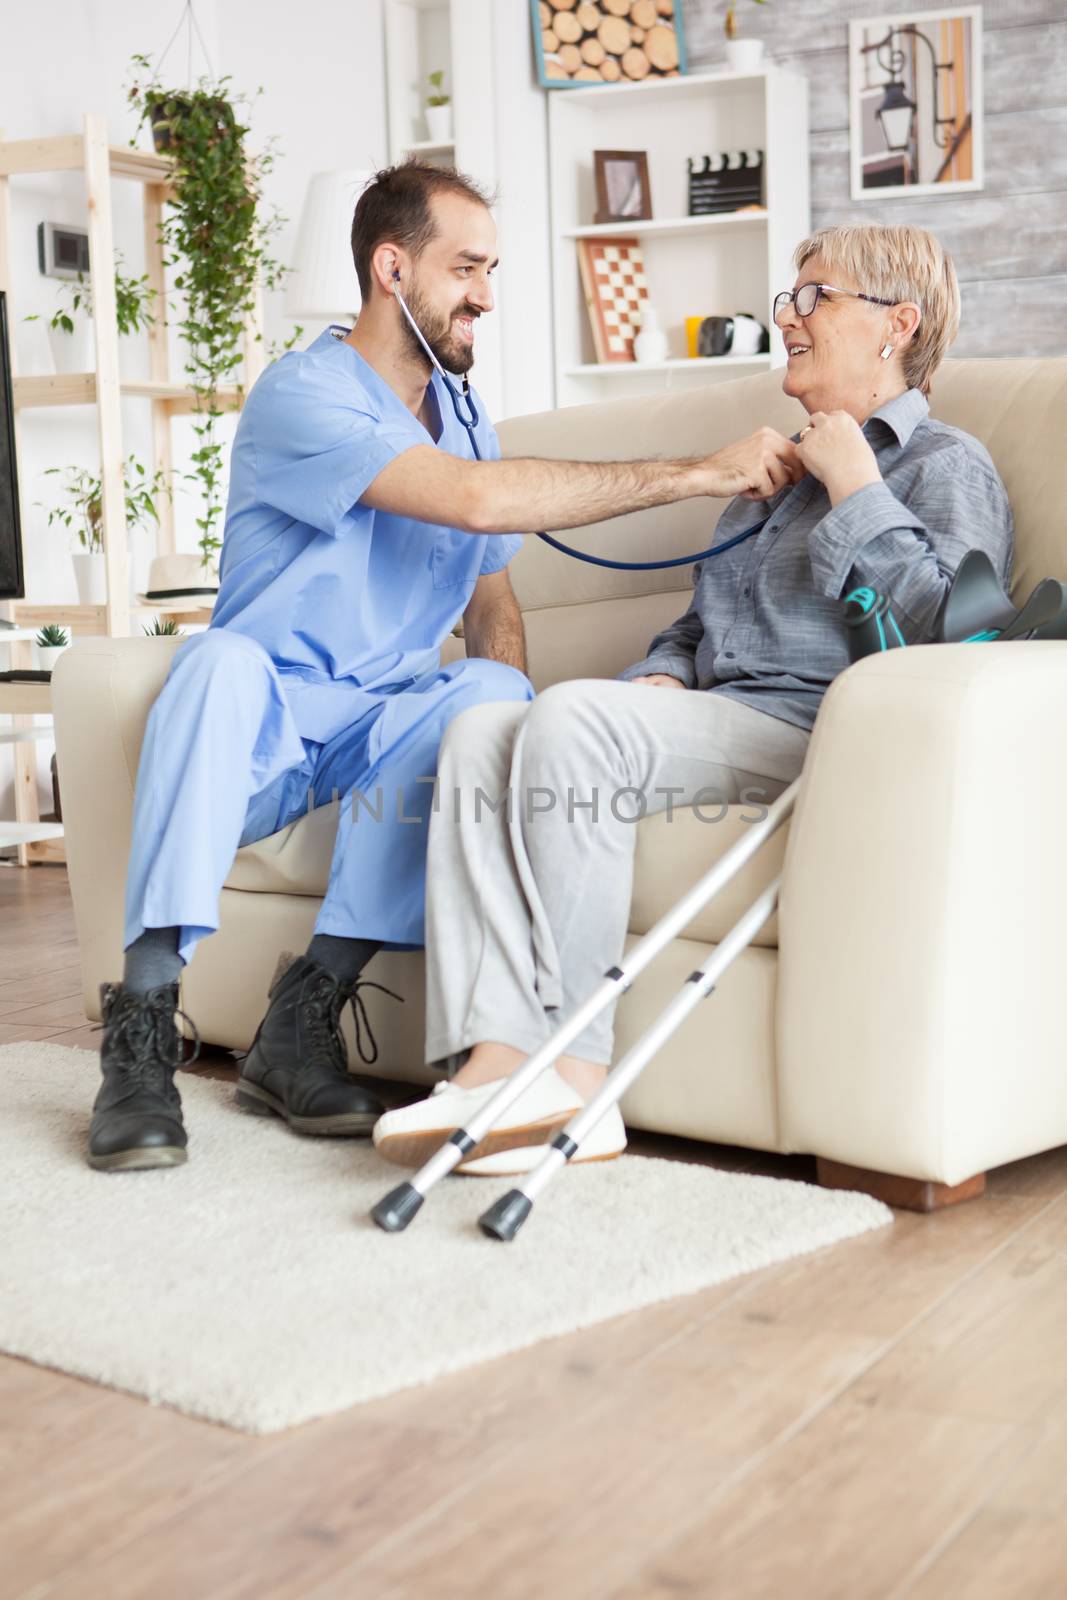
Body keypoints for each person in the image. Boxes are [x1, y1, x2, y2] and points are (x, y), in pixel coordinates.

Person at [90, 159, 805, 1172]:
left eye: (491, 269)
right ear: (391, 268)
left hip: (375, 739)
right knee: (215, 665)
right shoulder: (304, 394)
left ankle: (299, 1025)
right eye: (464, 268)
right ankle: (142, 1034)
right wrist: (693, 472)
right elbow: (476, 504)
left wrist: (508, 742)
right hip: (266, 727)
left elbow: (490, 605)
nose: (484, 295)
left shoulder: (464, 418)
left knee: (488, 692)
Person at [372, 221, 1015, 1177]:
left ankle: (579, 1082)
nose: (787, 318)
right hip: (717, 715)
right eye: (786, 298)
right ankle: (497, 1058)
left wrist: (858, 488)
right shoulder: (770, 476)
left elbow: (949, 636)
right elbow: (698, 620)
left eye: (814, 297)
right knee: (478, 731)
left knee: (572, 718)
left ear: (897, 324)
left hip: (820, 730)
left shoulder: (944, 464)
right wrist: (661, 675)